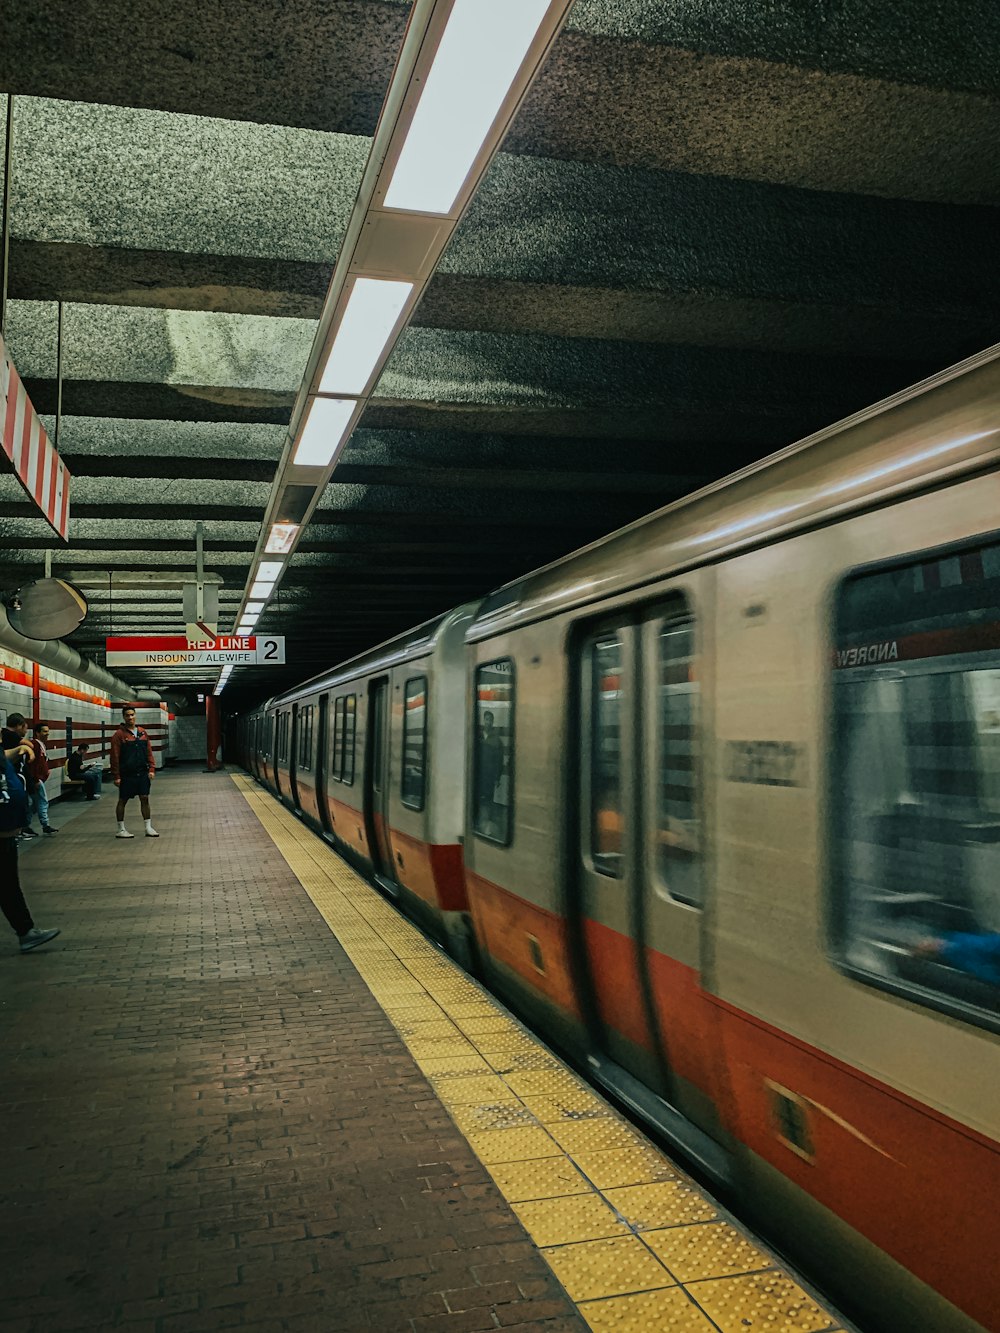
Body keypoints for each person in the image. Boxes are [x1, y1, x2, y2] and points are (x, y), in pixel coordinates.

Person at [1, 735, 60, 952]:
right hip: (3, 833)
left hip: (7, 835)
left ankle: (26, 932)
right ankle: (26, 932)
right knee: (8, 887)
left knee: (8, 888)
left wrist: (18, 750)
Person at [110, 704, 158, 838]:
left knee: (145, 798)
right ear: (123, 717)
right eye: (127, 715)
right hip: (127, 774)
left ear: (135, 715)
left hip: (142, 772)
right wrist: (116, 776)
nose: (130, 717)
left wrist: (152, 768)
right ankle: (121, 829)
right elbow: (114, 756)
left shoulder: (142, 733)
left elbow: (149, 752)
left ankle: (148, 827)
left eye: (132, 715)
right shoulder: (119, 735)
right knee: (123, 800)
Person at [1, 713, 36, 839]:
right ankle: (21, 830)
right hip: (13, 779)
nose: (26, 732)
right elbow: (29, 745)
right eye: (25, 728)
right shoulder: (10, 736)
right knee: (25, 803)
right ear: (19, 726)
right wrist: (25, 748)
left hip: (13, 779)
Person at [26, 722, 58, 835]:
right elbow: (32, 764)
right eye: (44, 731)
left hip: (39, 779)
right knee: (42, 802)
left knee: (33, 803)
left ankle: (26, 826)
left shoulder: (41, 745)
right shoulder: (35, 744)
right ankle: (45, 825)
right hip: (36, 780)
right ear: (37, 733)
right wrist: (35, 779)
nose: (47, 734)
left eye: (48, 731)